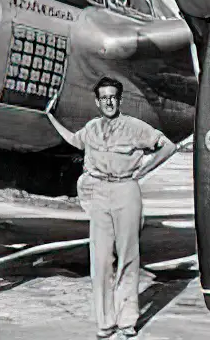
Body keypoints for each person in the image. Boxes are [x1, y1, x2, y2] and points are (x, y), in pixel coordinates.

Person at [45, 76, 178, 339]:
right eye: (103, 97)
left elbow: (168, 146)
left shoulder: (134, 127)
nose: (108, 101)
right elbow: (74, 140)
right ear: (97, 102)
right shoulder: (92, 128)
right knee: (101, 260)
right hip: (98, 193)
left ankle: (127, 321)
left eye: (112, 97)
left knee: (129, 257)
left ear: (119, 100)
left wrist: (145, 169)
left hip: (125, 190)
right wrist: (49, 118)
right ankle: (105, 324)